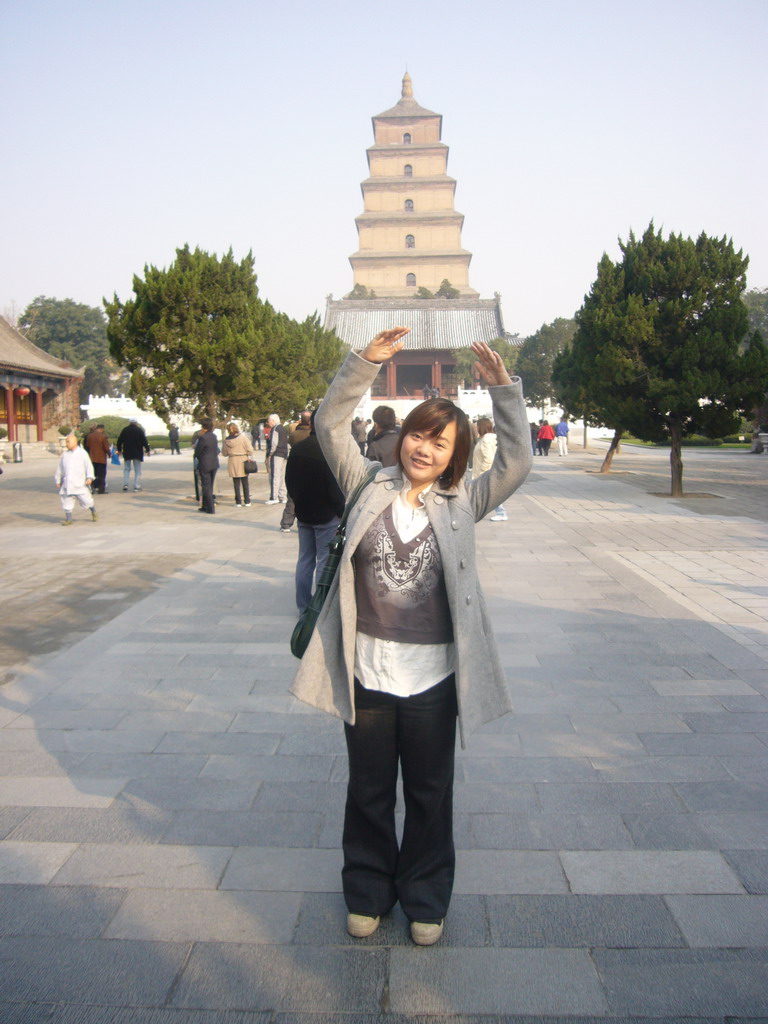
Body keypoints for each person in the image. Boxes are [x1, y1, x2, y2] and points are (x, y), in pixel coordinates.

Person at [291, 328, 532, 946]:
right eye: (419, 434)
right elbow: (327, 423)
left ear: (455, 454)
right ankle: (367, 892)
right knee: (368, 791)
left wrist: (504, 390)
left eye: (440, 441)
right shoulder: (366, 483)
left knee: (429, 793)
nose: (424, 447)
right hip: (366, 668)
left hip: (434, 677)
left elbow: (516, 462)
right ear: (405, 437)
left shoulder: (465, 501)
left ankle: (425, 899)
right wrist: (363, 364)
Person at [285, 409, 345, 613]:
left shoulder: (298, 448)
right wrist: (340, 511)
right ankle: (320, 607)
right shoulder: (327, 451)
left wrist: (298, 503)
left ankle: (303, 605)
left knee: (305, 560)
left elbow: (289, 481)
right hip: (325, 515)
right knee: (323, 560)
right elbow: (334, 488)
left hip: (305, 512)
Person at [280, 411, 313, 533]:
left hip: (296, 466)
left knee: (292, 497)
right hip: (311, 467)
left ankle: (286, 523)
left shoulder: (294, 434)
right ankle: (308, 520)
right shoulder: (313, 434)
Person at [55, 434, 97, 525]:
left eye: (68, 441)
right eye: (66, 442)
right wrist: (58, 480)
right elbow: (60, 468)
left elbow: (89, 466)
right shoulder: (65, 455)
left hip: (80, 483)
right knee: (66, 501)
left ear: (75, 442)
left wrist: (89, 477)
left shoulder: (82, 453)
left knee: (87, 501)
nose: (67, 444)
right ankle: (69, 519)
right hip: (67, 484)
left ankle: (93, 511)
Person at [474, 417, 507, 521]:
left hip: (485, 471)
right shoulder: (493, 438)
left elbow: (488, 458)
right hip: (492, 470)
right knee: (489, 493)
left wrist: (482, 472)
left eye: (477, 426)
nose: (476, 429)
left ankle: (501, 512)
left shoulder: (485, 440)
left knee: (489, 494)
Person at [222, 421, 254, 507]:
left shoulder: (226, 440)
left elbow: (224, 453)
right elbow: (250, 449)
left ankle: (238, 501)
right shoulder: (243, 438)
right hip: (243, 459)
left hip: (232, 460)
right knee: (245, 482)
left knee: (236, 483)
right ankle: (247, 500)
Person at [116, 419, 150, 490]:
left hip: (127, 452)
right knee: (137, 470)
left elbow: (119, 441)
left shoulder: (125, 430)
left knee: (126, 469)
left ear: (130, 422)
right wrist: (147, 450)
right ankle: (136, 485)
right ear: (136, 423)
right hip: (137, 452)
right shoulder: (139, 430)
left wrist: (119, 450)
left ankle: (125, 484)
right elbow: (144, 441)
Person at [194, 418, 219, 514]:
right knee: (209, 486)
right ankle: (204, 506)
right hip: (214, 463)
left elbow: (198, 451)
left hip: (205, 464)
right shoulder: (214, 436)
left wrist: (197, 457)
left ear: (204, 428)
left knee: (206, 486)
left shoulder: (203, 438)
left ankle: (210, 508)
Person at [265, 414, 288, 504]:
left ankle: (274, 497)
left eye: (269, 421)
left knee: (275, 475)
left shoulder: (275, 429)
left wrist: (270, 454)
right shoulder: (283, 428)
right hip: (284, 454)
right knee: (282, 476)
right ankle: (283, 496)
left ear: (273, 421)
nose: (268, 423)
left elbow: (274, 443)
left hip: (277, 454)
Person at [84, 424, 110, 494]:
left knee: (93, 474)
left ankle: (92, 488)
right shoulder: (103, 437)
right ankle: (101, 489)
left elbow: (87, 445)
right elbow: (106, 447)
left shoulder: (89, 436)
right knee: (101, 474)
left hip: (92, 457)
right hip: (101, 458)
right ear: (102, 429)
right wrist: (109, 454)